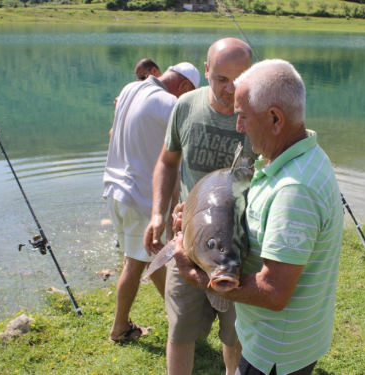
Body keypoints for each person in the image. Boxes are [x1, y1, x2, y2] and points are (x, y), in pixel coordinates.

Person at [173, 59, 344, 375]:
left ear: (275, 119)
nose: (238, 126)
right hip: (293, 340)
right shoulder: (303, 156)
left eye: (242, 117)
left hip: (274, 353)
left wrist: (198, 276)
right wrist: (200, 220)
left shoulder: (295, 190)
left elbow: (273, 292)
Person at [144, 38, 254, 375]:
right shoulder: (185, 106)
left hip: (241, 249)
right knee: (180, 332)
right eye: (222, 79)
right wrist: (158, 212)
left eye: (241, 78)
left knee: (235, 338)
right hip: (187, 243)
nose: (232, 89)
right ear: (206, 72)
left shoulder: (260, 115)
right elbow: (167, 162)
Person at [103, 62, 200, 342]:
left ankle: (177, 314)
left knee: (152, 255)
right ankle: (120, 328)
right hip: (138, 195)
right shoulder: (170, 104)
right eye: (189, 94)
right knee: (134, 263)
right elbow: (182, 155)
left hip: (114, 188)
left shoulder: (130, 88)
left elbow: (112, 134)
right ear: (183, 87)